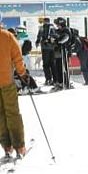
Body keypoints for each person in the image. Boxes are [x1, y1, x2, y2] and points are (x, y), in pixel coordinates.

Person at [0, 15, 29, 159]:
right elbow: (17, 58)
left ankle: (6, 146)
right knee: (12, 113)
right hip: (7, 82)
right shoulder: (8, 36)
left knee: (0, 115)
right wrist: (23, 74)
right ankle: (19, 146)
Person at [51, 17, 72, 90]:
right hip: (58, 53)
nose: (57, 25)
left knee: (63, 68)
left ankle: (65, 83)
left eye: (58, 24)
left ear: (61, 23)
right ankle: (60, 82)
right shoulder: (59, 30)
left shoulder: (66, 30)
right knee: (58, 68)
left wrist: (57, 40)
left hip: (64, 52)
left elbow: (64, 39)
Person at [35, 17, 55, 85]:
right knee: (52, 64)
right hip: (52, 48)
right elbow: (55, 36)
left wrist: (37, 43)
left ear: (44, 22)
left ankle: (48, 79)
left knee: (46, 64)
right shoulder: (53, 27)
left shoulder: (42, 28)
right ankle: (55, 79)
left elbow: (39, 37)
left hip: (45, 48)